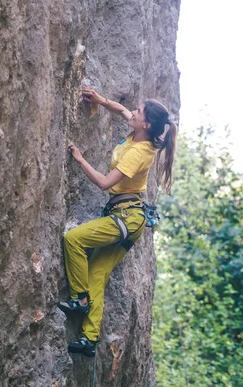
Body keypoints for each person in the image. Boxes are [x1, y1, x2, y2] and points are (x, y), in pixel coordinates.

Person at [58, 86, 177, 357]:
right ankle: (89, 339)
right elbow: (122, 110)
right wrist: (100, 100)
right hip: (129, 219)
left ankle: (79, 298)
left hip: (127, 217)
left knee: (73, 239)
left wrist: (79, 158)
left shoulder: (139, 152)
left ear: (146, 124)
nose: (133, 111)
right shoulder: (139, 134)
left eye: (139, 112)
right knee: (96, 273)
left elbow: (103, 183)